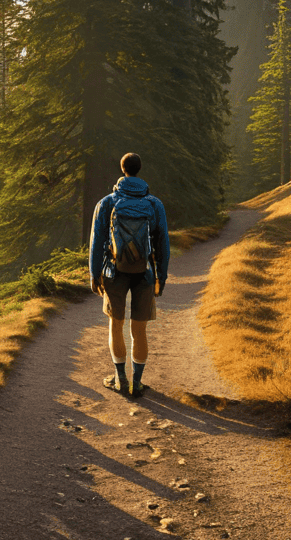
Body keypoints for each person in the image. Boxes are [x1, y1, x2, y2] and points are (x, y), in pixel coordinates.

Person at [89, 152, 170, 398]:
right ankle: (137, 382)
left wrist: (94, 273)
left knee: (116, 324)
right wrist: (161, 276)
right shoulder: (154, 204)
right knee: (139, 329)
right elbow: (162, 244)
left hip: (114, 271)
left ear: (122, 169)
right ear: (139, 169)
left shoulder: (107, 203)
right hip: (145, 272)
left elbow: (97, 241)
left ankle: (119, 379)